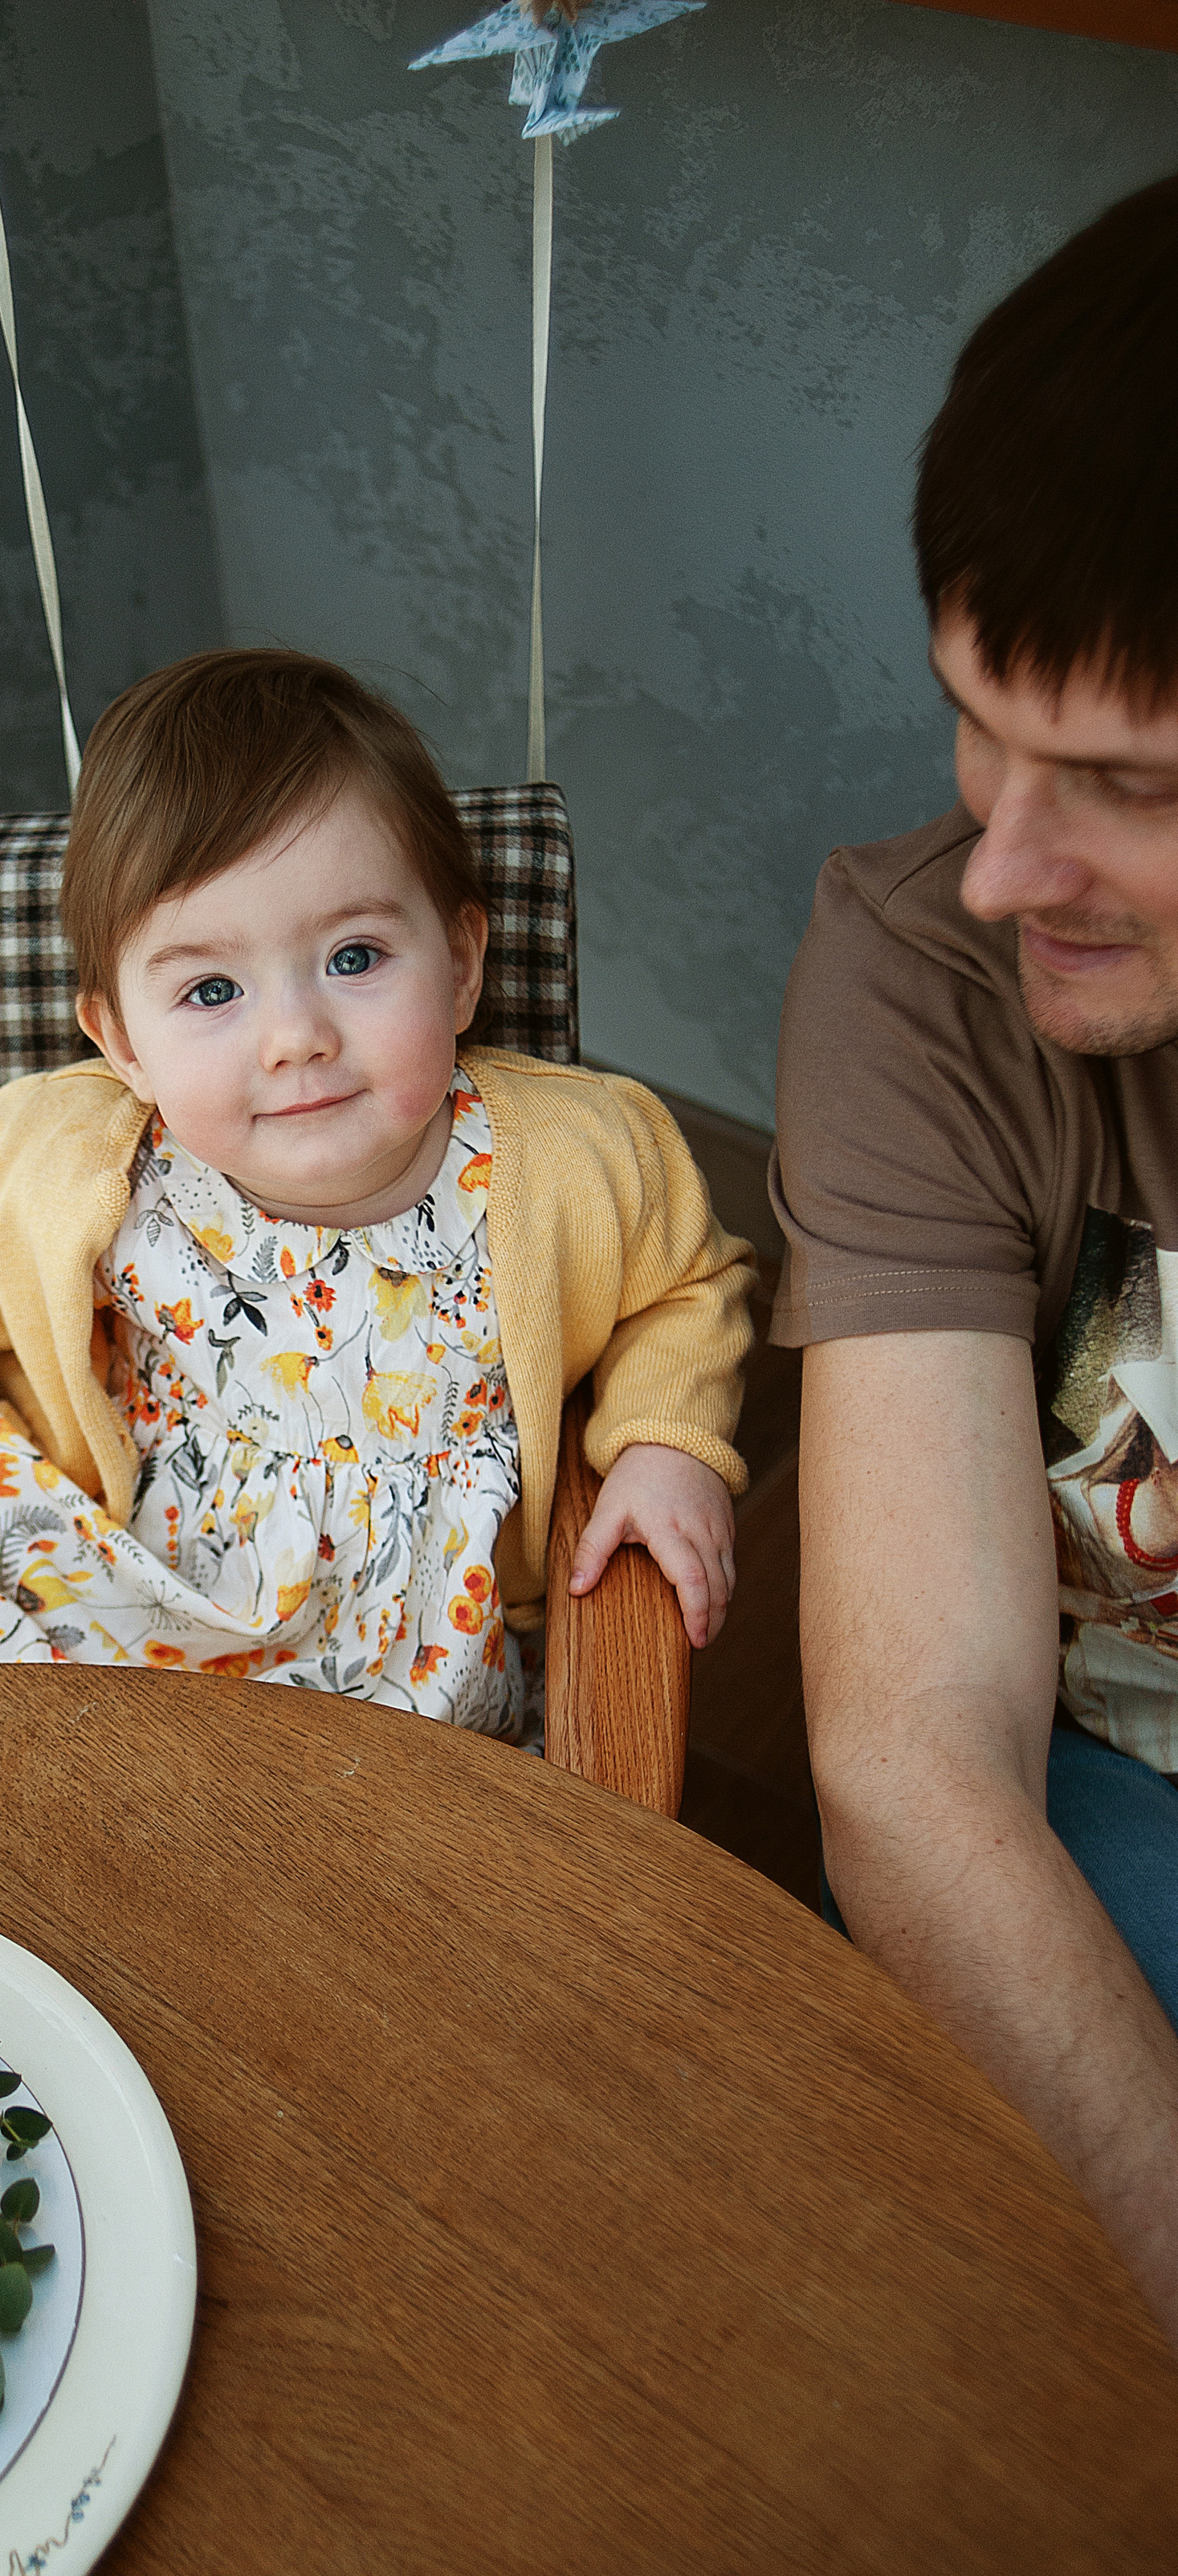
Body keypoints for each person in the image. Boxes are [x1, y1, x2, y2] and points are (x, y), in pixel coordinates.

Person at [0, 648, 753, 1748]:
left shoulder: (576, 1158)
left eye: (355, 958)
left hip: (389, 1668)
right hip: (116, 1587)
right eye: (211, 989)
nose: (296, 1036)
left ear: (460, 965)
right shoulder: (86, 1167)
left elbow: (685, 1289)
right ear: (123, 1044)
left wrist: (666, 1442)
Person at [772, 176, 1178, 2342]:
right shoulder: (919, 976)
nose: (1006, 863)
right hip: (1108, 1786)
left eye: (1124, 784)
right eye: (973, 720)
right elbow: (913, 1742)